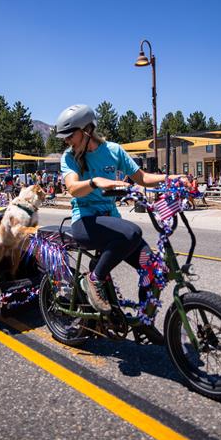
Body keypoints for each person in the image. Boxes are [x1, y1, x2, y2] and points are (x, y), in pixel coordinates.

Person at [56, 103, 188, 334]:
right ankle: (94, 279)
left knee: (153, 268)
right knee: (132, 232)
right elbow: (73, 188)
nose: (67, 140)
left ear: (87, 130)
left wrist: (174, 178)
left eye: (70, 135)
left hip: (110, 220)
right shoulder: (69, 157)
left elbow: (143, 178)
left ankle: (144, 323)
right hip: (84, 222)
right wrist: (95, 181)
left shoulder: (114, 150)